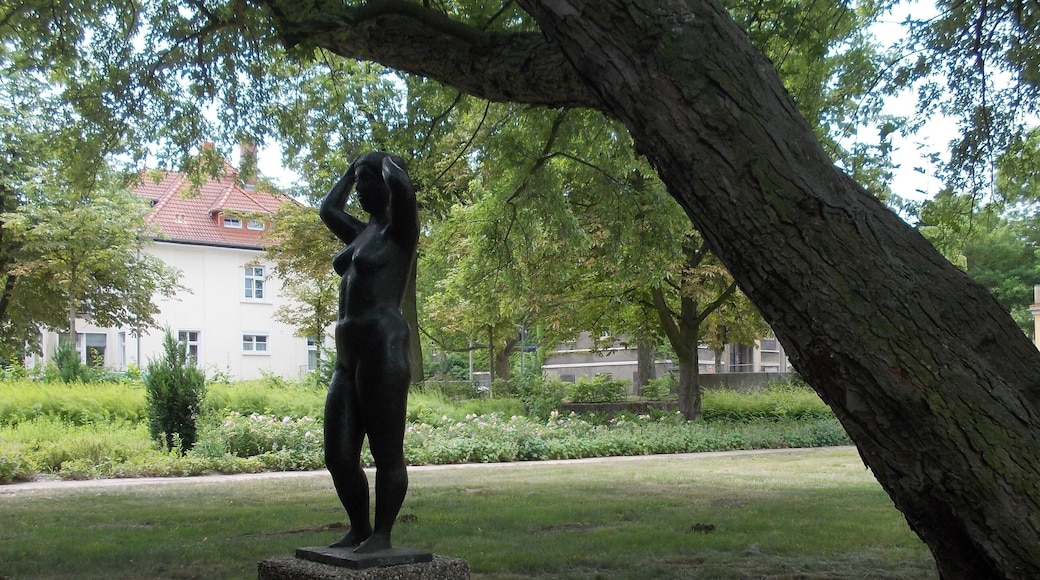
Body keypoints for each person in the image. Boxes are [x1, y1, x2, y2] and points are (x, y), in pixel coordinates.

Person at [318, 151, 419, 553]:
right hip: (348, 355)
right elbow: (328, 209)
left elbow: (405, 194)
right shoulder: (361, 233)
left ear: (383, 183)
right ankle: (359, 528)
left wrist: (385, 164)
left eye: (365, 181)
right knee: (338, 454)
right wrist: (352, 167)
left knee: (386, 450)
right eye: (357, 182)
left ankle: (382, 535)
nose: (358, 189)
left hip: (383, 347)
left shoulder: (400, 231)